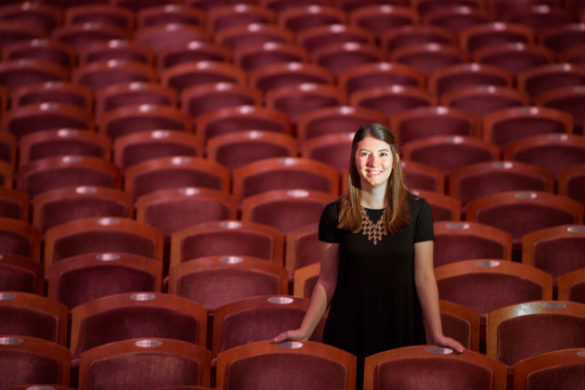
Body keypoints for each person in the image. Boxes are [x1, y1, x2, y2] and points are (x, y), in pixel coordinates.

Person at [273, 122, 464, 389]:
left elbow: (424, 277)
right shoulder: (334, 213)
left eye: (383, 153)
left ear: (395, 159)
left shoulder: (419, 211)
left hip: (401, 327)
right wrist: (305, 330)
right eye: (365, 154)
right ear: (354, 159)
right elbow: (327, 280)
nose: (374, 162)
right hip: (349, 329)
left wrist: (436, 333)